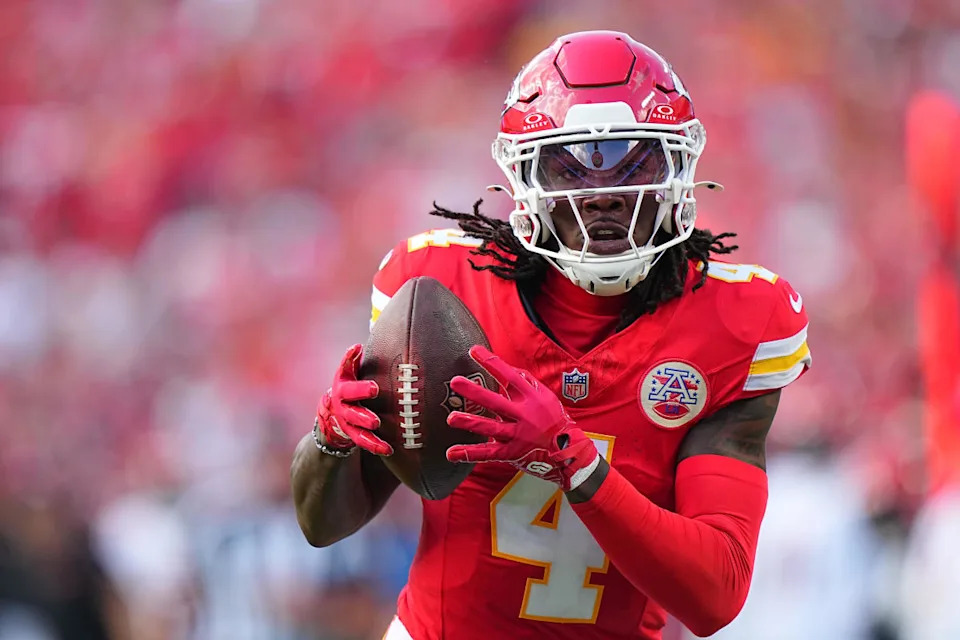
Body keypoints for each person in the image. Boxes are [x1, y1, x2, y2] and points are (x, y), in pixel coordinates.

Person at [291, 30, 811, 640]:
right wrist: (333, 440)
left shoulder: (733, 320)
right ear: (525, 182)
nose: (605, 196)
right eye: (571, 168)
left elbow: (714, 597)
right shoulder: (444, 289)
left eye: (636, 160)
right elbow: (321, 525)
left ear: (680, 169)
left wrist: (571, 457)